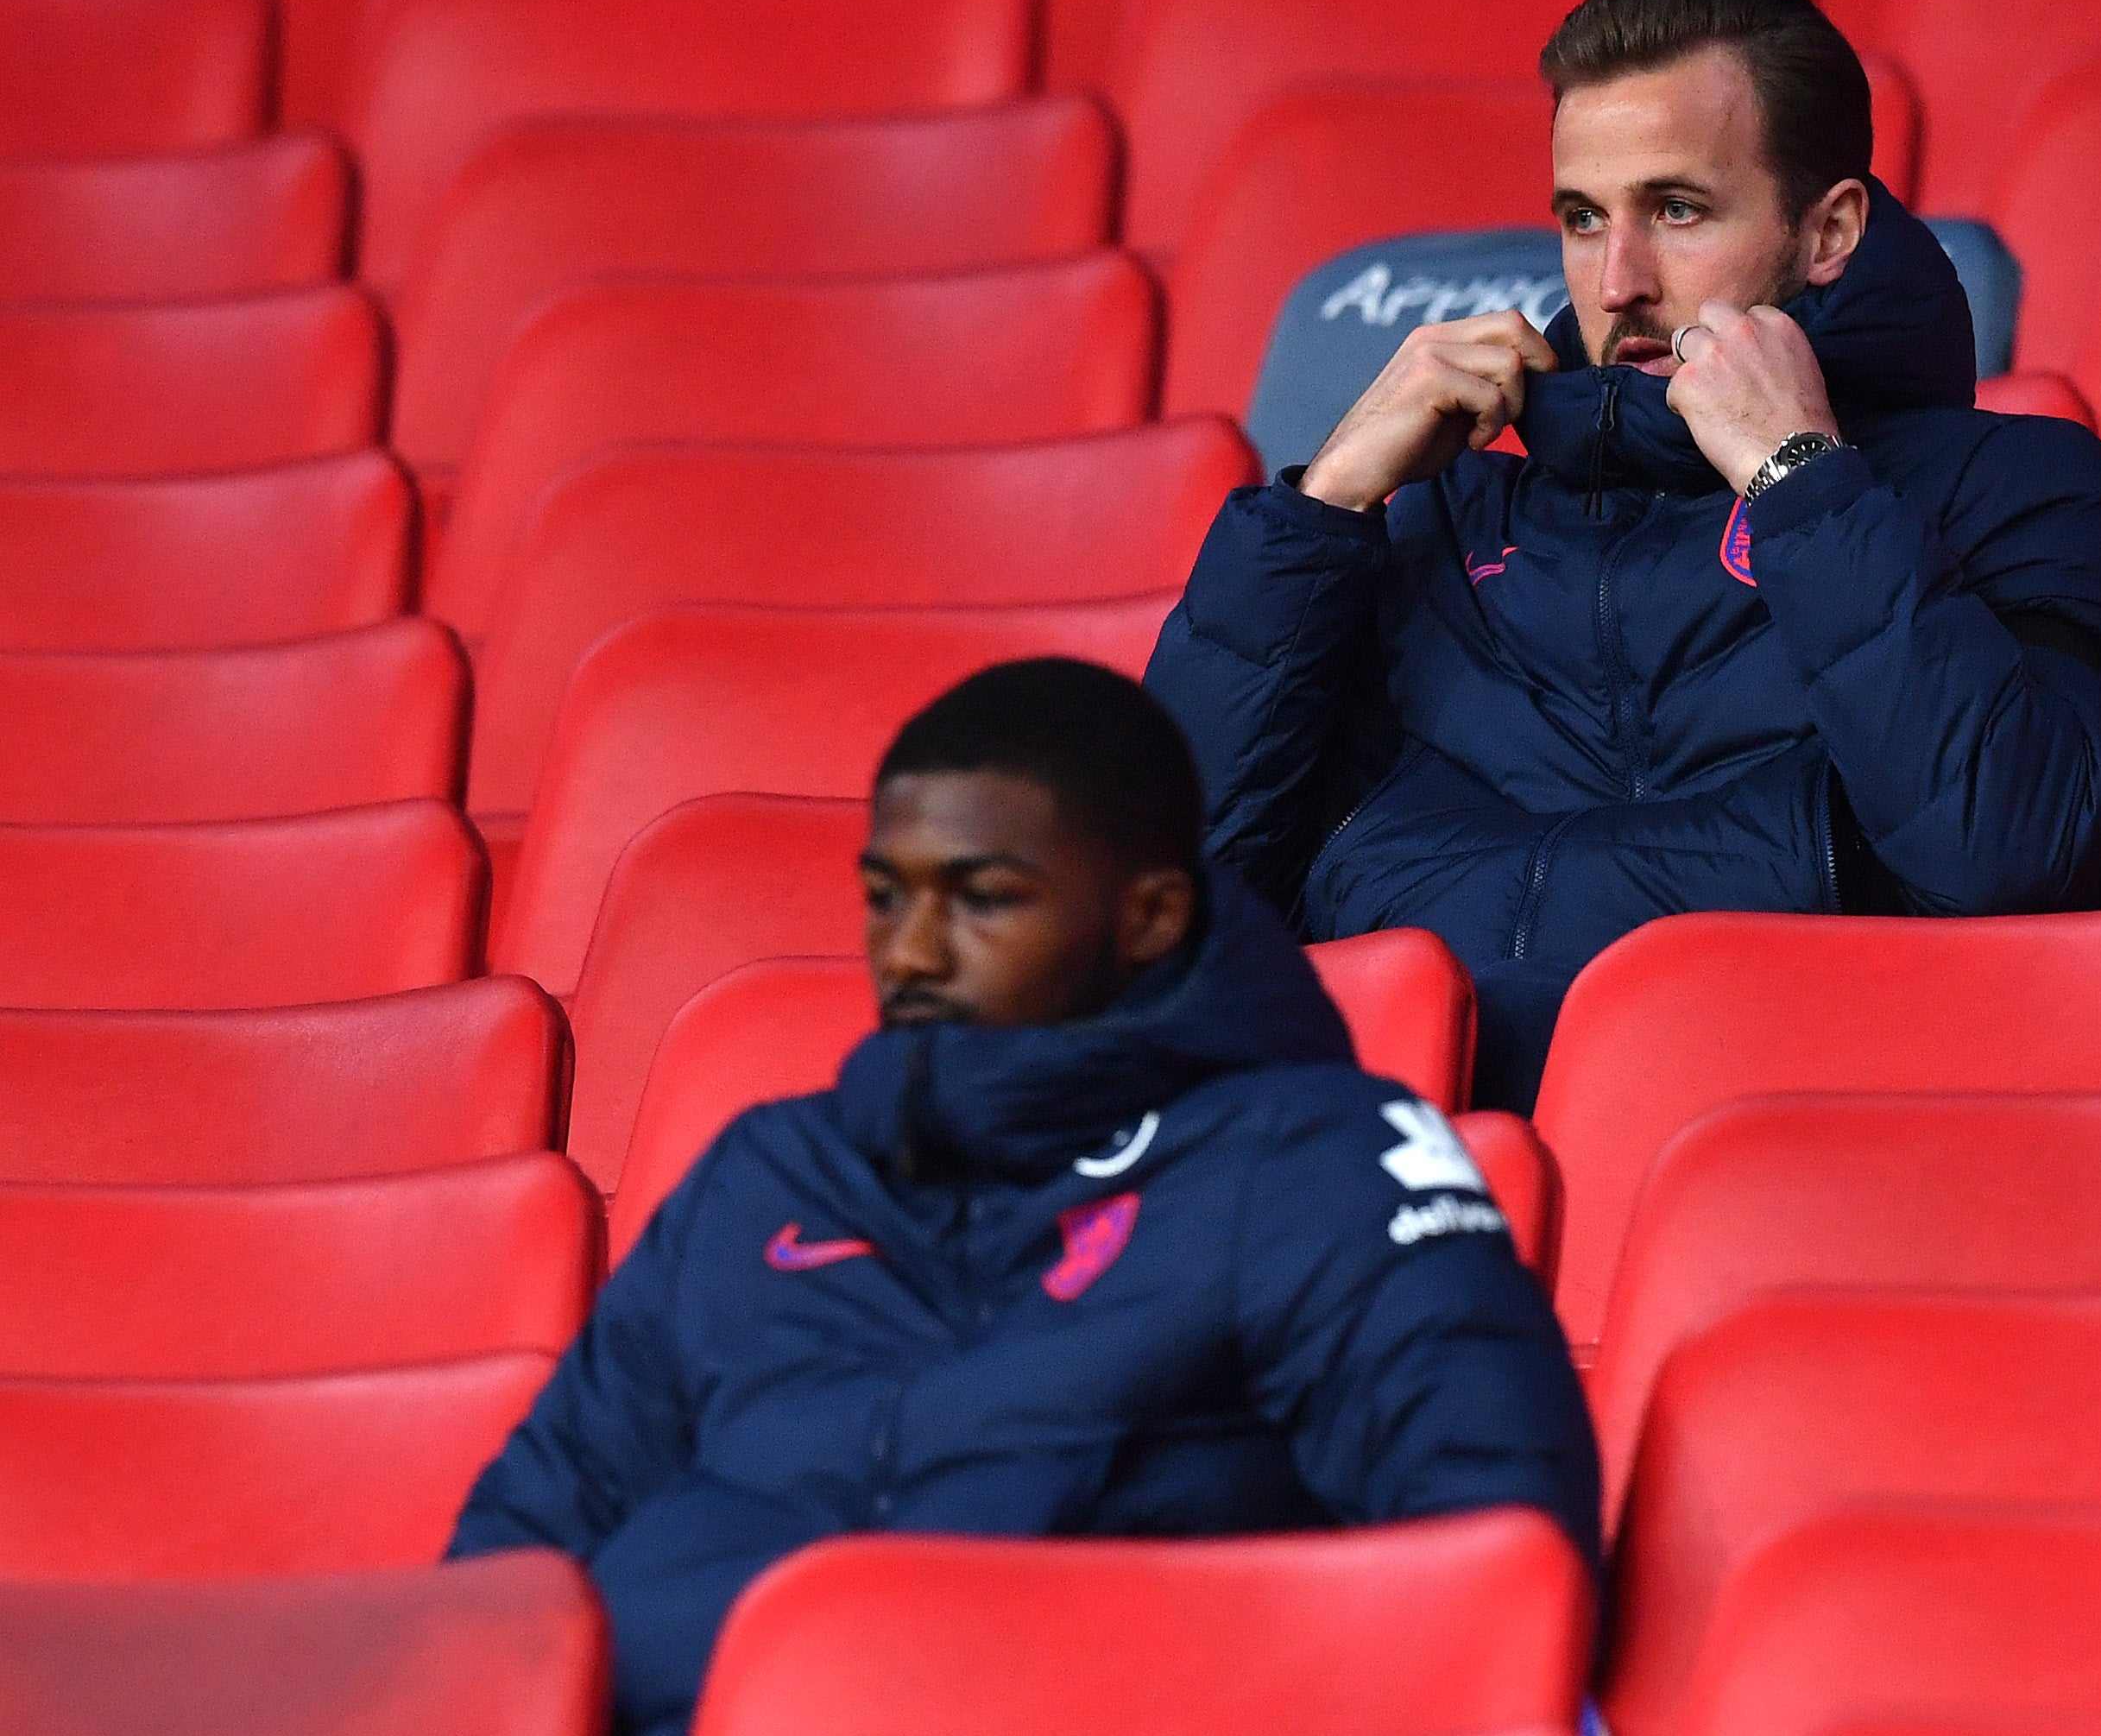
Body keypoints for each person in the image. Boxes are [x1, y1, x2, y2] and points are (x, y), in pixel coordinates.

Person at [449, 659, 1601, 1736]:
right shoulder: (770, 1171)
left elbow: (1495, 1556)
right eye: (885, 897)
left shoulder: (1321, 1163)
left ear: (1148, 917)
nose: (913, 952)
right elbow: (519, 1561)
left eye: (982, 899)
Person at [1145, 0, 2101, 1108]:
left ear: (1828, 229)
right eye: (1583, 219)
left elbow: (2004, 853)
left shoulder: (2017, 488)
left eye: (1677, 211)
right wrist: (1323, 505)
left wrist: (1801, 481)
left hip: (1793, 1146)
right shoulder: (1435, 515)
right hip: (1390, 1163)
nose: (1617, 283)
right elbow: (1162, 903)